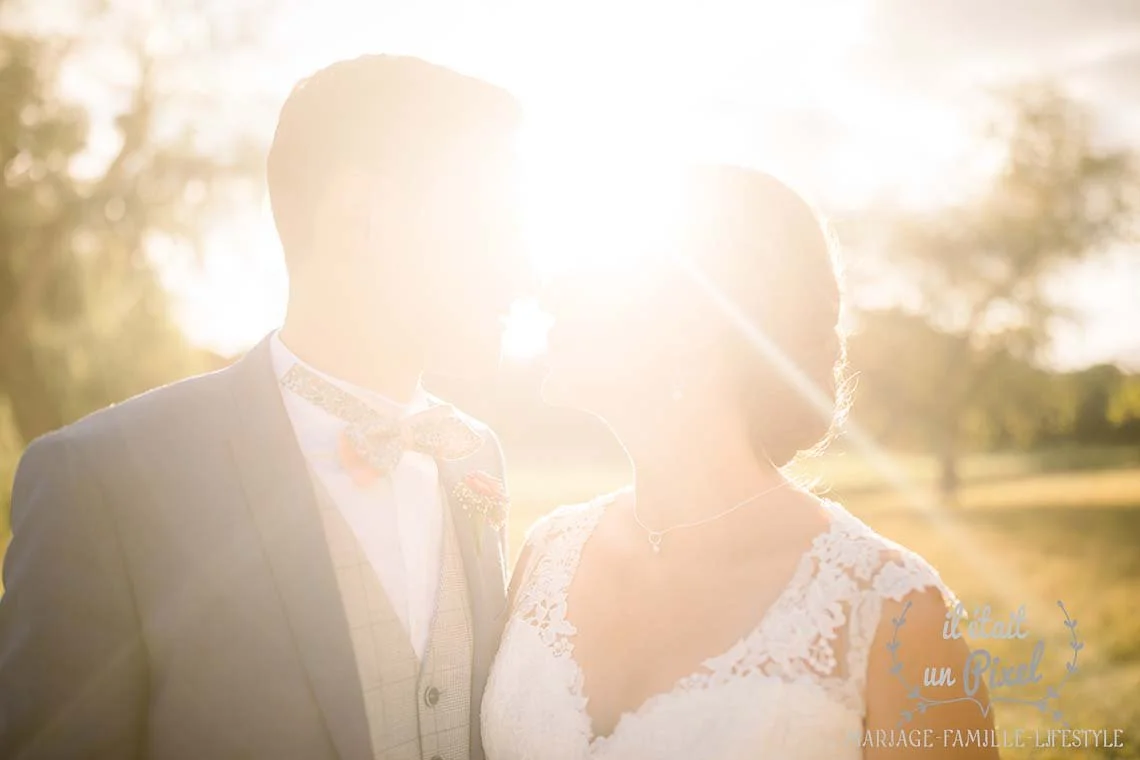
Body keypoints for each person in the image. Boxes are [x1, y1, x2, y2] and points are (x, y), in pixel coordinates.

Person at [0, 54, 523, 760]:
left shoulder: (473, 454)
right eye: (493, 224)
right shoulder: (103, 484)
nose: (523, 270)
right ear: (358, 219)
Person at [480, 164, 998, 759]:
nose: (549, 291)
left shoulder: (894, 613)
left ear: (697, 325)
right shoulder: (546, 555)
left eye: (595, 273)